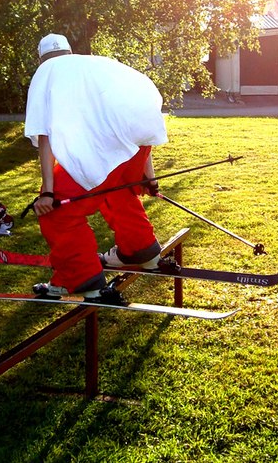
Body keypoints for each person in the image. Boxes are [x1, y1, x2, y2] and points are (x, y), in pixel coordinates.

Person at [24, 33, 169, 299]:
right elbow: (133, 123)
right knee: (119, 189)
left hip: (108, 144)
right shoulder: (94, 65)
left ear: (41, 58)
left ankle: (82, 279)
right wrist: (147, 176)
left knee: (56, 213)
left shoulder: (46, 72)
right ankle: (142, 251)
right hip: (140, 138)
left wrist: (48, 193)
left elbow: (44, 135)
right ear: (69, 52)